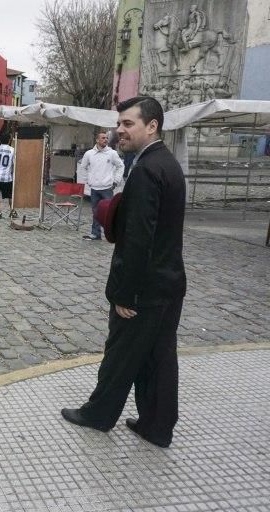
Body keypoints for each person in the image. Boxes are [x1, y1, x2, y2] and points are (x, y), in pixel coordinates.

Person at [61, 96, 187, 449]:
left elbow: (138, 240)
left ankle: (98, 414)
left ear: (152, 126)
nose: (120, 130)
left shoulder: (147, 169)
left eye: (128, 124)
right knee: (158, 358)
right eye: (119, 124)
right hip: (168, 283)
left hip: (144, 289)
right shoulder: (166, 162)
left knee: (120, 353)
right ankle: (157, 426)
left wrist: (124, 294)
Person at [77, 130, 124, 241]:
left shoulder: (112, 153)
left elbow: (120, 166)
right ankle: (95, 233)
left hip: (107, 188)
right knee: (96, 212)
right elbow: (82, 167)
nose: (105, 140)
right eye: (103, 138)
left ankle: (113, 233)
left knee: (110, 212)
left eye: (106, 138)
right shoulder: (89, 154)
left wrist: (116, 181)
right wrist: (86, 180)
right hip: (94, 188)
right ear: (97, 140)